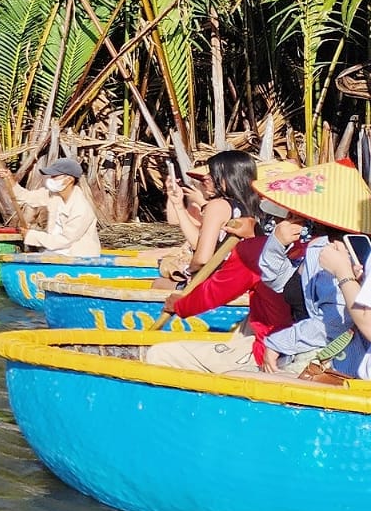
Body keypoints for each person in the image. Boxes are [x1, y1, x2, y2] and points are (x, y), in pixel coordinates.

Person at [145, 162, 369, 382]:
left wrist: (181, 305)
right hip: (288, 344)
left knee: (158, 354)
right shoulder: (311, 249)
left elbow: (210, 277)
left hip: (298, 351)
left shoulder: (331, 253)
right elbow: (277, 279)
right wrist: (275, 243)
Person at [159, 148, 259, 280]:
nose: (205, 177)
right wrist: (178, 206)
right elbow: (198, 244)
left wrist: (188, 270)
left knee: (160, 283)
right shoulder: (254, 206)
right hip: (245, 278)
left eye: (212, 173)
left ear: (227, 178)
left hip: (221, 281)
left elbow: (202, 260)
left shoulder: (217, 205)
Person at [11, 156, 101, 257]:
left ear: (69, 180)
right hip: (57, 252)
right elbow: (26, 197)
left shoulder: (81, 208)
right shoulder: (54, 196)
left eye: (54, 176)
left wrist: (31, 235)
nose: (50, 179)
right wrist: (9, 180)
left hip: (77, 256)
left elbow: (65, 240)